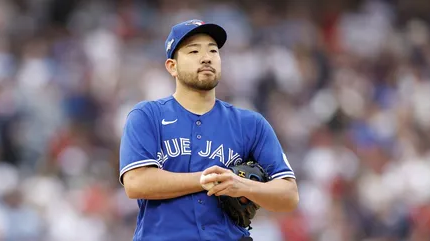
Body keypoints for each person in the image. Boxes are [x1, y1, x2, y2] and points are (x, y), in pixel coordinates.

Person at [119, 19, 299, 241]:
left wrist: (243, 185)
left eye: (213, 50)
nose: (206, 57)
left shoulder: (250, 123)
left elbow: (288, 195)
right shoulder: (148, 116)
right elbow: (136, 183)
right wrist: (204, 179)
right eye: (193, 51)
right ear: (172, 66)